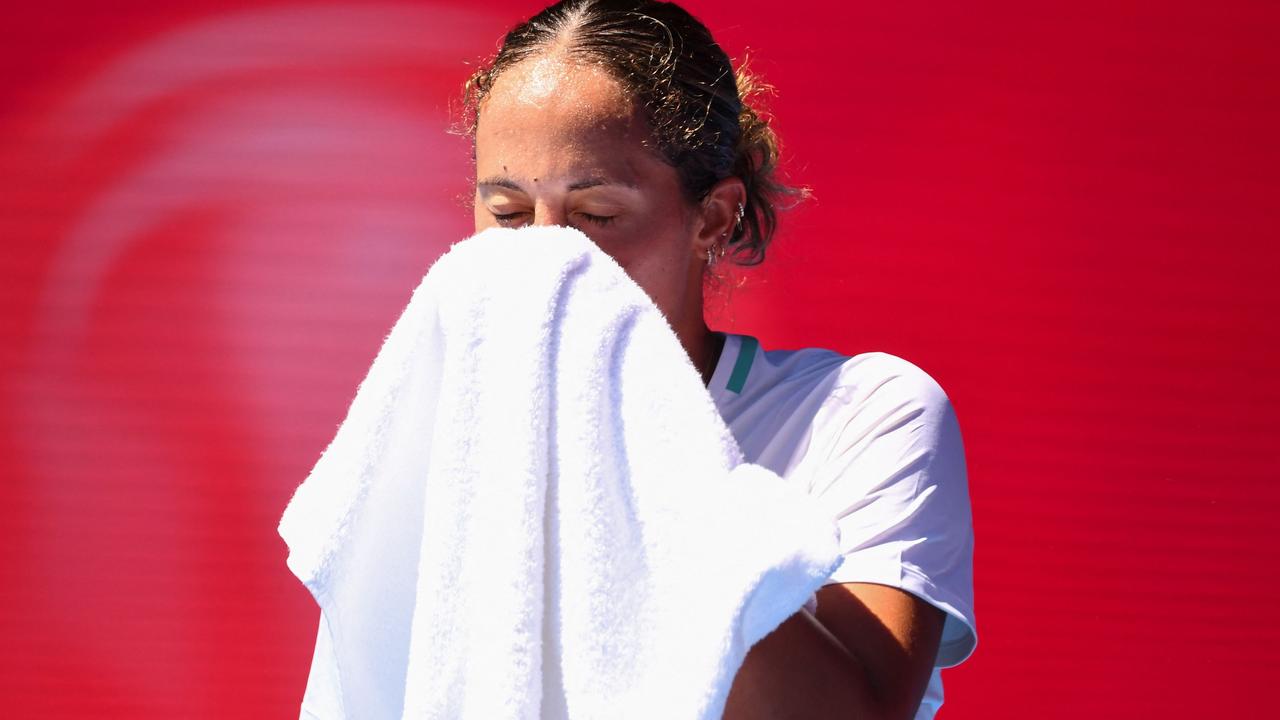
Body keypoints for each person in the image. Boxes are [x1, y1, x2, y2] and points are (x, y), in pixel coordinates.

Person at [462, 1, 976, 719]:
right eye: (511, 213)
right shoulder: (439, 437)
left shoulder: (867, 413)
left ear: (714, 215)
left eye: (598, 215)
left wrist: (612, 445)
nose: (548, 257)